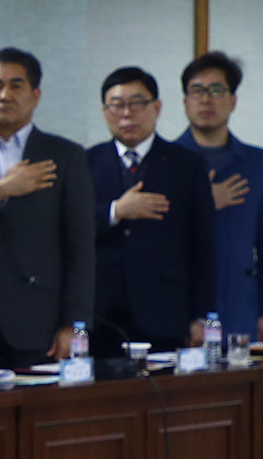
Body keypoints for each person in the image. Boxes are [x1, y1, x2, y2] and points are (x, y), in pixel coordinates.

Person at [0, 47, 95, 369]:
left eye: (16, 85)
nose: (4, 95)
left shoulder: (65, 156)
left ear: (36, 95)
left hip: (40, 316)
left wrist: (75, 324)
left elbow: (80, 247)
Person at [87, 67, 217, 353]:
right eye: (117, 105)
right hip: (100, 312)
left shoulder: (187, 165)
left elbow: (203, 245)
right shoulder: (86, 163)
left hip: (166, 311)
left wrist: (202, 316)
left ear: (156, 108)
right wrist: (116, 211)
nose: (126, 113)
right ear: (105, 111)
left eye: (137, 103)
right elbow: (70, 229)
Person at [175, 51, 263, 342]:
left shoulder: (256, 163)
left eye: (216, 90)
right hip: (183, 310)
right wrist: (204, 203)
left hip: (243, 306)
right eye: (196, 91)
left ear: (233, 100)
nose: (205, 99)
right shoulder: (166, 161)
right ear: (185, 101)